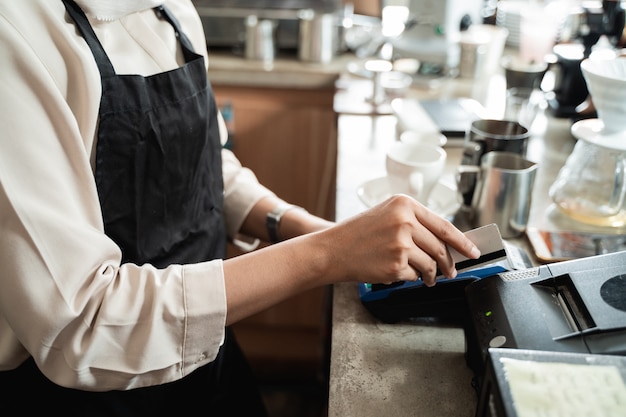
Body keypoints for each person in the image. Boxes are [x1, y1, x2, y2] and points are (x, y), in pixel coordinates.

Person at [0, 0, 480, 415]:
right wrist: (327, 254)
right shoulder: (16, 32)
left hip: (202, 354)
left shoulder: (172, 10)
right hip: (85, 393)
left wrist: (299, 226)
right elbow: (82, 324)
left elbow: (204, 164)